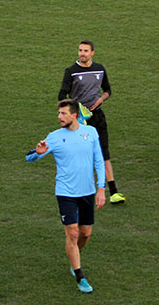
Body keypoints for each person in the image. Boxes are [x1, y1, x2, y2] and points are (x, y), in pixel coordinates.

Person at [26, 99, 105, 294]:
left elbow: (99, 160)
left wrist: (101, 188)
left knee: (85, 233)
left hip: (87, 191)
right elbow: (30, 157)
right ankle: (79, 275)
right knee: (72, 233)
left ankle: (74, 254)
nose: (59, 117)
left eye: (63, 113)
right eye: (59, 113)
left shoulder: (90, 132)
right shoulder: (54, 137)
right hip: (65, 192)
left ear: (74, 115)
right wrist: (37, 152)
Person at [58, 40, 125, 204]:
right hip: (79, 121)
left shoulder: (100, 69)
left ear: (92, 53)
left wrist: (101, 100)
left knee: (104, 153)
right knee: (79, 155)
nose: (82, 53)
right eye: (80, 50)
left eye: (85, 51)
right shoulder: (71, 71)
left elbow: (107, 90)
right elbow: (62, 95)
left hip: (97, 117)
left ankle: (114, 192)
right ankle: (77, 190)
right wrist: (76, 110)